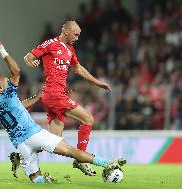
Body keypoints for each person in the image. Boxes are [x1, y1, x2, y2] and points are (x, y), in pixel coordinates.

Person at [0, 38, 125, 183]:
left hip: (21, 144)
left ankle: (20, 158)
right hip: (34, 134)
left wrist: (40, 96)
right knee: (70, 150)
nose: (9, 81)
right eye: (7, 82)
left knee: (36, 178)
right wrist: (1, 50)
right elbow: (16, 71)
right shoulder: (7, 95)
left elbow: (20, 106)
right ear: (0, 88)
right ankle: (106, 163)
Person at [24, 20, 111, 176]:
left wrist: (97, 83)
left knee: (54, 142)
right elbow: (28, 57)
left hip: (56, 95)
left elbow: (78, 68)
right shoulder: (50, 44)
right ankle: (81, 159)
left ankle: (22, 154)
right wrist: (32, 62)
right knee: (88, 119)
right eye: (76, 35)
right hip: (53, 94)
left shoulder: (70, 49)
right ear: (66, 31)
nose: (77, 38)